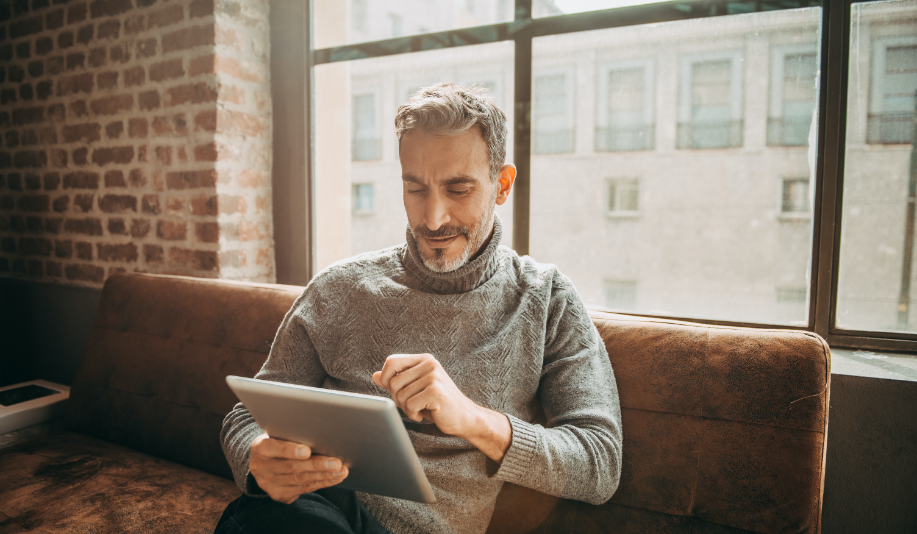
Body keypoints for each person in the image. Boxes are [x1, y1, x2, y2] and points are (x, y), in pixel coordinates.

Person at [216, 83, 623, 534]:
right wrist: (255, 456)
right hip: (308, 510)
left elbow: (598, 462)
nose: (433, 218)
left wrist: (472, 419)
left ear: (502, 185)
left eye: (458, 189)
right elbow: (247, 413)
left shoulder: (544, 298)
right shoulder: (339, 288)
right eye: (415, 189)